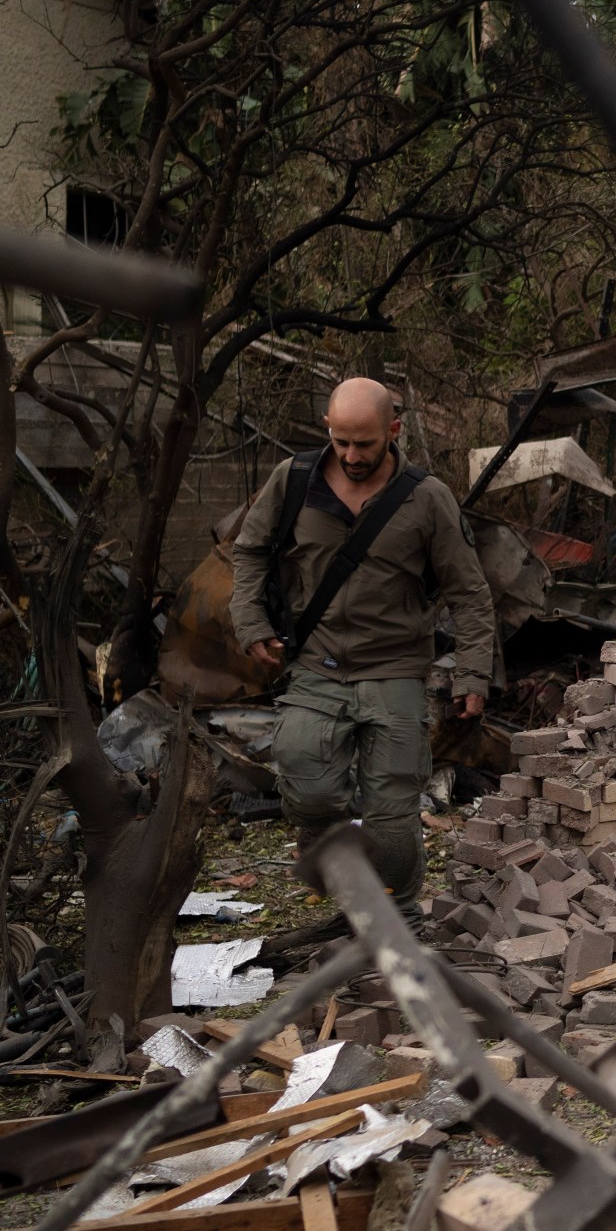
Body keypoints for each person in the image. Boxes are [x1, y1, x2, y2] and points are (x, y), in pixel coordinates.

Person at [228, 378, 495, 902]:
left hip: (394, 668)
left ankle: (395, 923)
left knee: (393, 824)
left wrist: (473, 673)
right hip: (315, 663)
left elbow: (469, 592)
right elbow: (250, 550)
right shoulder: (294, 480)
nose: (350, 455)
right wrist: (251, 621)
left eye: (365, 444)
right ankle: (327, 855)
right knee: (308, 789)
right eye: (340, 441)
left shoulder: (427, 498)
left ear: (393, 431)